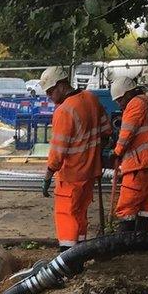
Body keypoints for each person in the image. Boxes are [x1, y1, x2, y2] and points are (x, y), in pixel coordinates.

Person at [40, 66, 113, 251]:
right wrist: (93, 155)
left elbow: (58, 150)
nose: (49, 96)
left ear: (61, 85)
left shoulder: (64, 111)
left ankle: (67, 256)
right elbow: (107, 131)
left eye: (50, 91)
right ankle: (80, 253)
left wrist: (48, 174)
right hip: (90, 172)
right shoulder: (91, 99)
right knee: (80, 213)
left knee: (66, 214)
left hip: (71, 174)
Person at [109, 75, 148, 231]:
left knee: (127, 204)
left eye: (120, 100)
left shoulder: (135, 105)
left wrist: (116, 152)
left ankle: (123, 243)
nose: (119, 104)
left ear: (128, 93)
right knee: (144, 203)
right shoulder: (146, 102)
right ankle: (141, 240)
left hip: (140, 164)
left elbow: (127, 133)